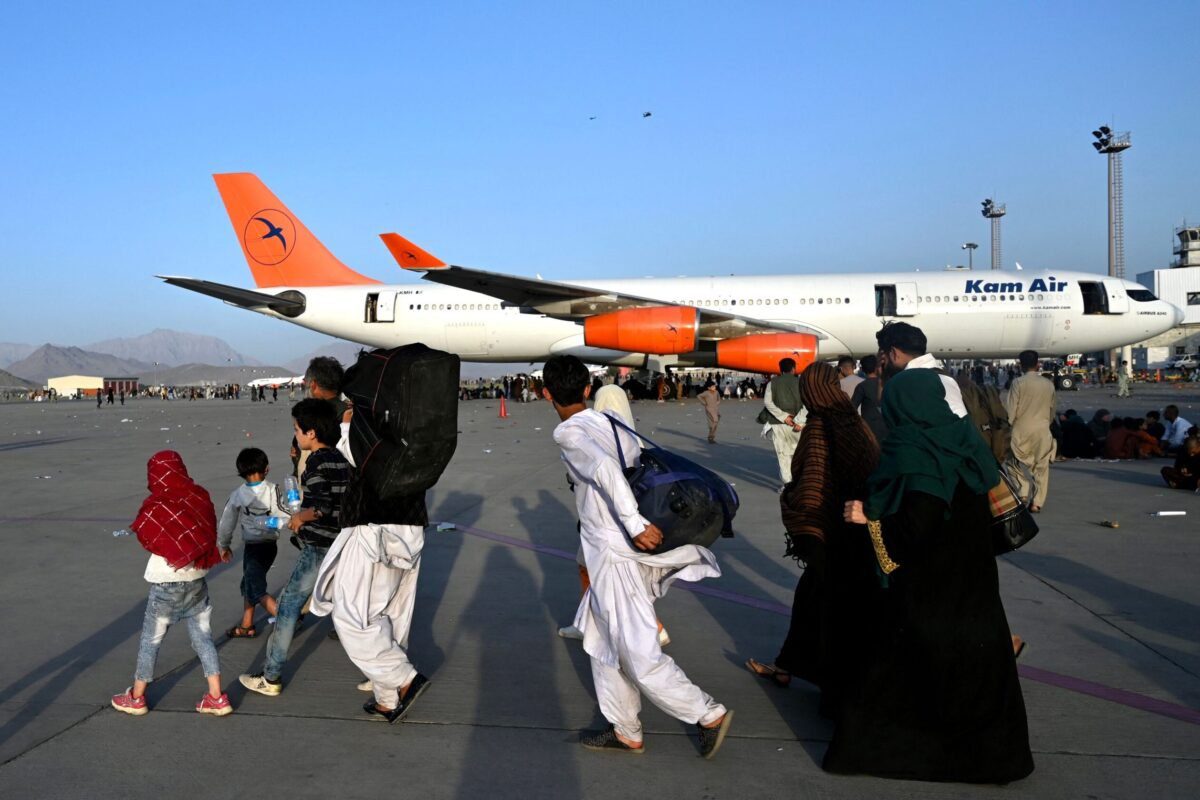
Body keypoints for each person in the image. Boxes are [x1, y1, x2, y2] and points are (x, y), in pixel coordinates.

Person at [829, 368, 1033, 783]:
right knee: (974, 670)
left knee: (909, 670)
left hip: (926, 588)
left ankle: (909, 755)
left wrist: (868, 518)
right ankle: (993, 760)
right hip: (973, 582)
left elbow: (915, 530)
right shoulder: (965, 442)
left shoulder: (913, 451)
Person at [542, 355, 733, 759]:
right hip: (616, 550)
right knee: (598, 639)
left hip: (617, 552)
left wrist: (633, 525)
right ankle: (625, 728)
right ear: (587, 390)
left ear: (546, 394)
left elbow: (607, 470)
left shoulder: (569, 433)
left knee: (637, 650)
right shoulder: (613, 423)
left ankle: (707, 713)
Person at [745, 362, 880, 718]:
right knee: (811, 598)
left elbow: (812, 486)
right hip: (858, 526)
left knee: (825, 602)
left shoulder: (820, 425)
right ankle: (788, 666)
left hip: (829, 532)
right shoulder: (853, 419)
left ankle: (829, 679)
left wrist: (793, 507)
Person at [309, 400, 433, 724]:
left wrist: (349, 418)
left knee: (354, 617)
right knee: (392, 616)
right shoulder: (409, 421)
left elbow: (356, 454)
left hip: (374, 528)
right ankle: (387, 699)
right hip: (411, 526)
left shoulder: (364, 424)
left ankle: (405, 680)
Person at [240, 399, 351, 697]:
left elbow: (323, 506)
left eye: (297, 430)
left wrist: (300, 517)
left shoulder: (316, 462)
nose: (296, 436)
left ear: (312, 433)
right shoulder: (342, 461)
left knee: (288, 606)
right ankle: (385, 674)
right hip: (343, 544)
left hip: (318, 546)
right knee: (352, 608)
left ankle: (271, 675)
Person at [111, 451, 232, 717]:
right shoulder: (198, 496)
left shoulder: (157, 504)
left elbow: (148, 532)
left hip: (166, 584)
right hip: (197, 580)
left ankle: (137, 697)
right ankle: (216, 697)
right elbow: (208, 531)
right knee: (203, 638)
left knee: (150, 641)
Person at [558, 385, 670, 647]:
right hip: (623, 521)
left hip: (611, 522)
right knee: (593, 570)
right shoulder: (628, 434)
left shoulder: (591, 436)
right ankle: (586, 623)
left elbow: (605, 473)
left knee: (620, 582)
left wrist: (634, 525)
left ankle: (655, 628)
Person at [217, 447, 286, 639]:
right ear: (267, 469)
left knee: (255, 587)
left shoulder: (237, 495)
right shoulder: (273, 489)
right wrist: (281, 522)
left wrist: (224, 545)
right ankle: (247, 625)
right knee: (249, 581)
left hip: (253, 546)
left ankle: (284, 618)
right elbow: (282, 513)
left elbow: (226, 523)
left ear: (241, 471)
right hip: (269, 545)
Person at [1004, 350, 1056, 513]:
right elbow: (1052, 409)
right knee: (1041, 467)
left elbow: (1011, 410)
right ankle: (1037, 502)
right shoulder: (1048, 384)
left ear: (1021, 365)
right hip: (1042, 428)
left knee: (1011, 461)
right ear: (1038, 363)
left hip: (1021, 429)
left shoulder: (1018, 383)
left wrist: (1007, 426)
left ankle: (1022, 490)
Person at [763, 358, 806, 488]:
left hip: (778, 424)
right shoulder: (801, 383)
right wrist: (800, 421)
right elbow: (808, 403)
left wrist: (784, 417)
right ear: (794, 369)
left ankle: (788, 484)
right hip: (798, 426)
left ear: (780, 369)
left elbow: (768, 403)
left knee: (783, 456)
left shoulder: (772, 383)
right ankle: (800, 482)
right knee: (799, 454)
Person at [849, 354, 887, 444]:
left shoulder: (862, 386)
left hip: (869, 429)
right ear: (877, 367)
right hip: (887, 428)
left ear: (863, 369)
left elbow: (852, 408)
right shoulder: (887, 383)